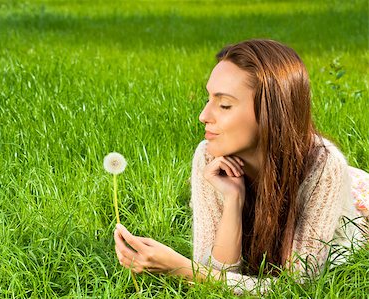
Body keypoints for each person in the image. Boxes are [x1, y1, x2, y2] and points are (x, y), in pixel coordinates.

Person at [113, 39, 369, 294]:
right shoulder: (210, 157)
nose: (203, 115)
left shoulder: (323, 167)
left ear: (272, 113)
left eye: (224, 105)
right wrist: (233, 200)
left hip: (356, 199)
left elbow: (297, 287)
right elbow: (213, 276)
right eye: (209, 98)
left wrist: (180, 268)